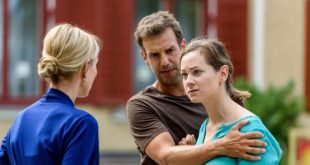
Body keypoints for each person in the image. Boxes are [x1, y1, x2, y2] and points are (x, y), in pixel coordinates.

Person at [126, 10, 267, 165]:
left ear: (183, 46)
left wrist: (197, 149)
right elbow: (165, 157)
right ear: (144, 57)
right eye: (154, 55)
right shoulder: (142, 105)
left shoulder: (218, 95)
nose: (164, 61)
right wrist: (220, 145)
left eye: (170, 50)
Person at [0, 23, 101, 164]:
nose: (96, 71)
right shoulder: (81, 124)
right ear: (85, 68)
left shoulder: (21, 118)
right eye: (96, 64)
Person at [180, 37, 282, 164]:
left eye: (197, 72)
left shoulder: (251, 130)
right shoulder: (206, 127)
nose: (188, 81)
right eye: (184, 74)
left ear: (223, 73)